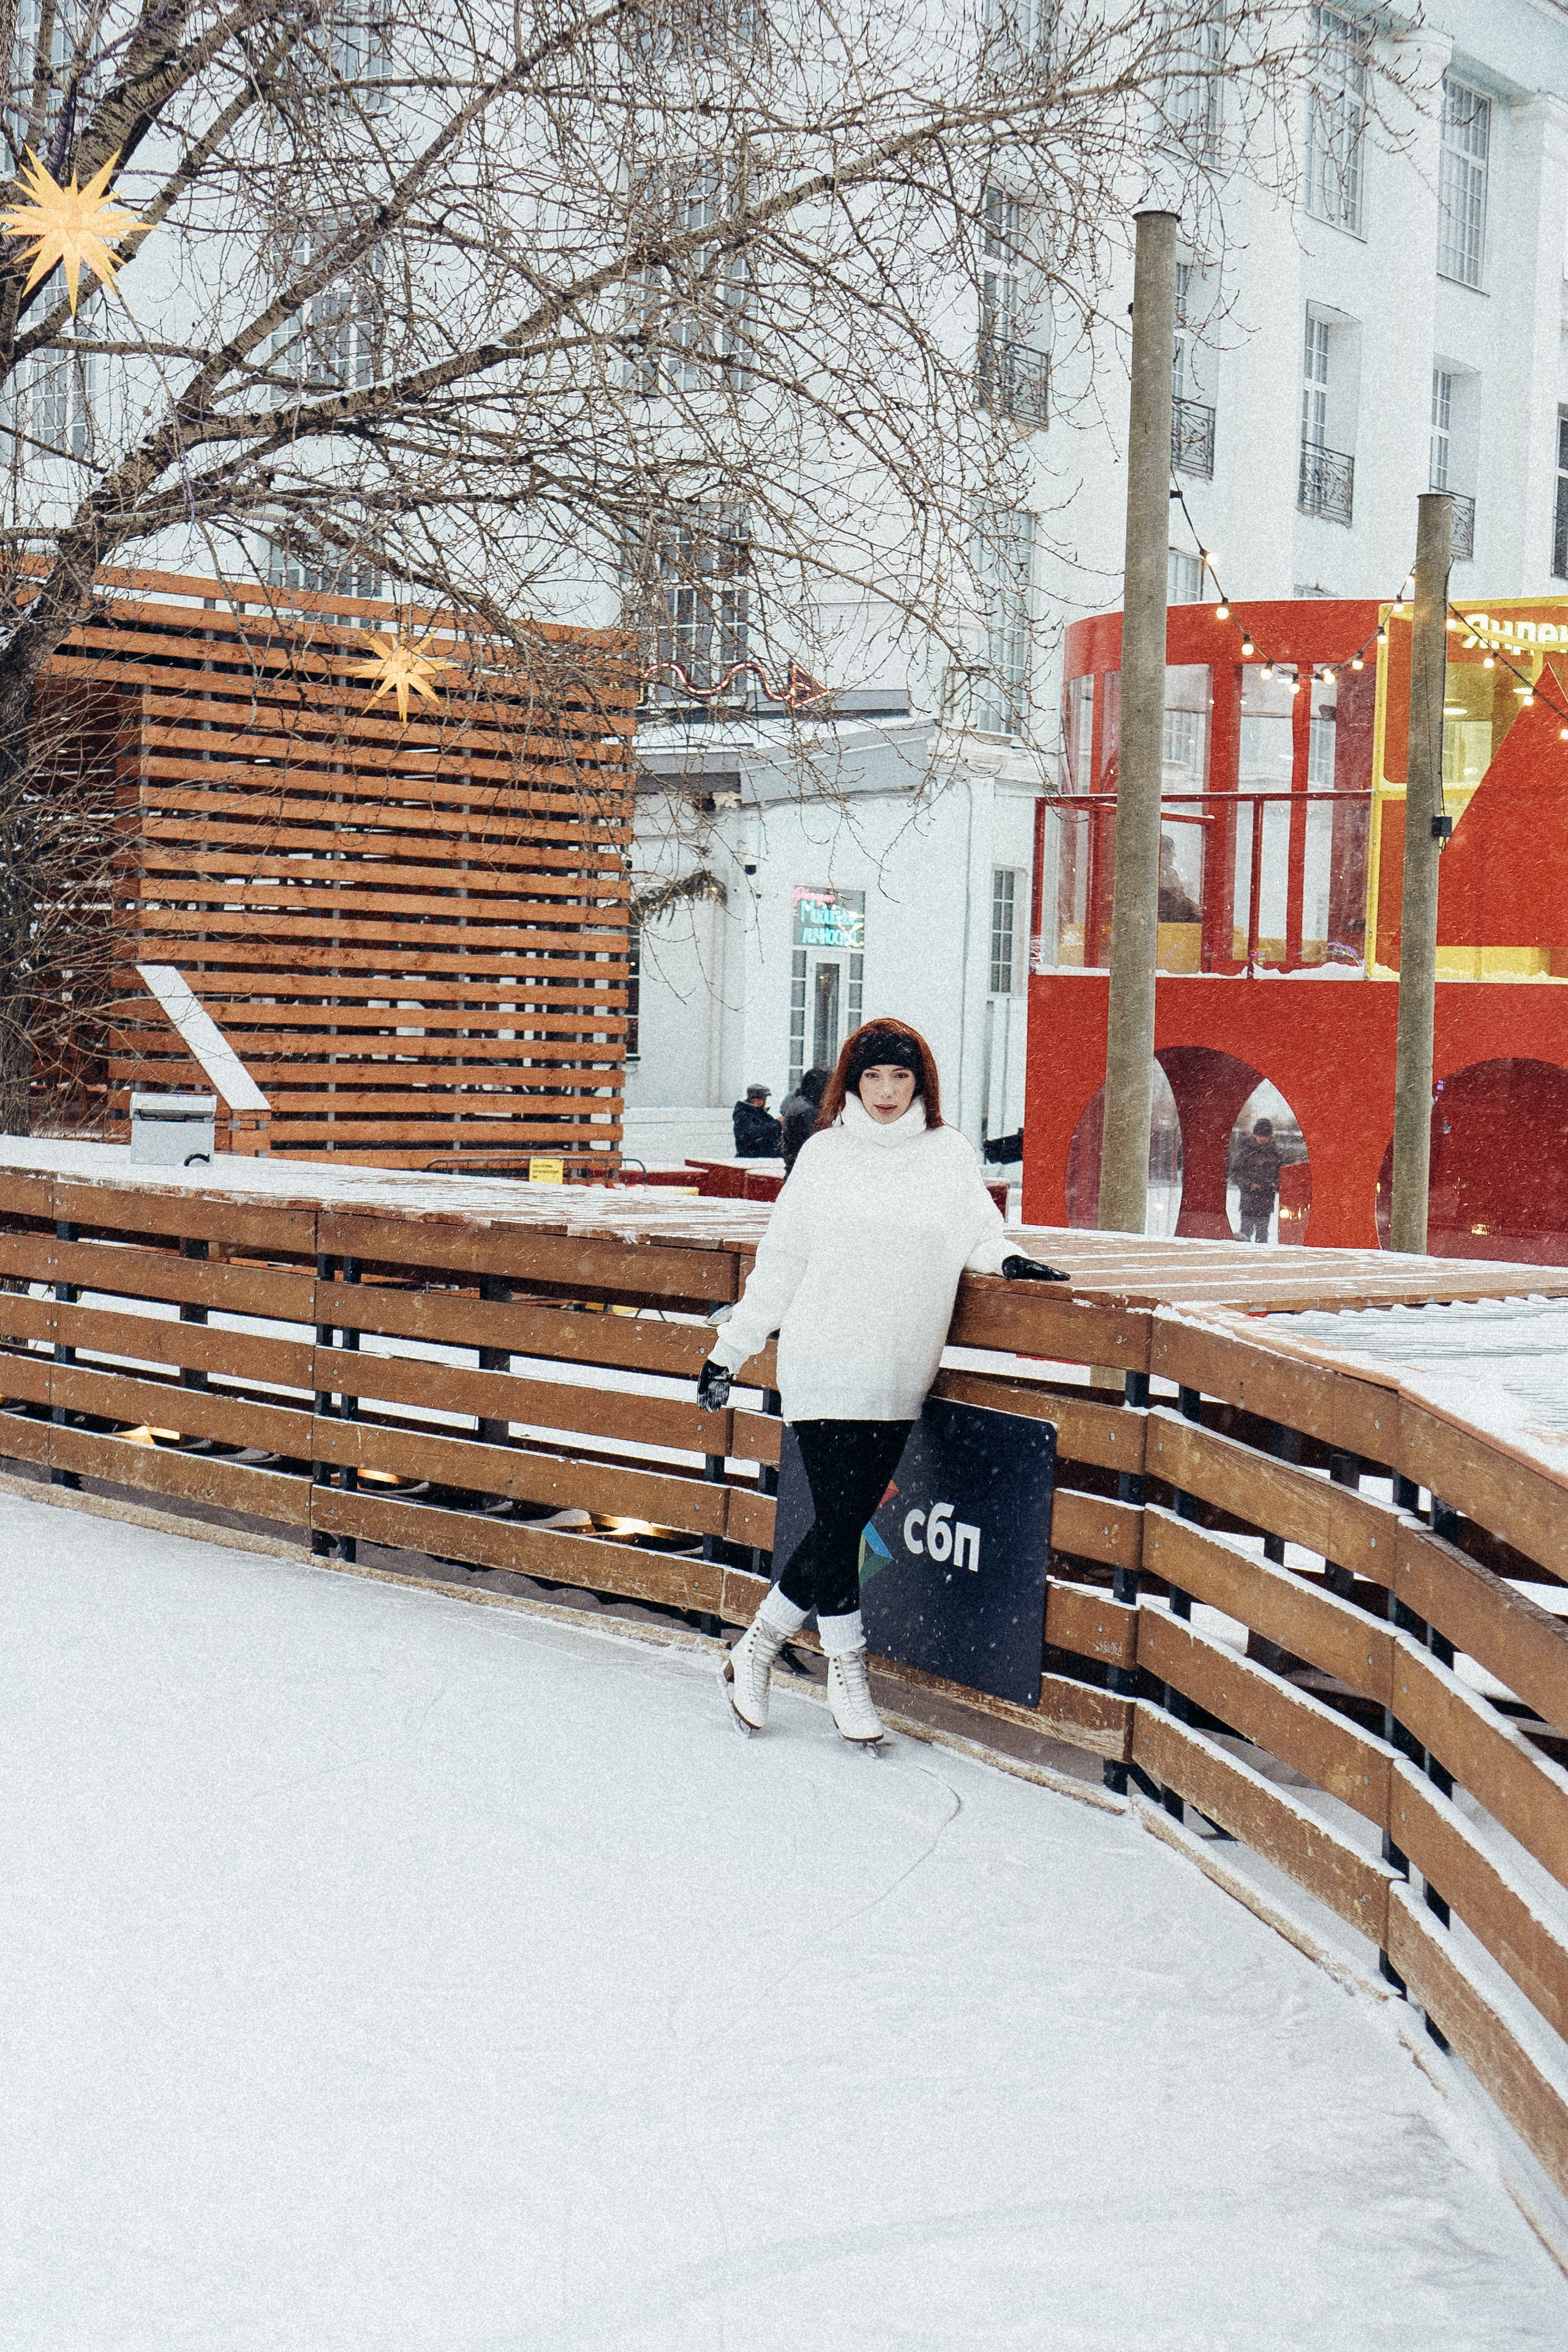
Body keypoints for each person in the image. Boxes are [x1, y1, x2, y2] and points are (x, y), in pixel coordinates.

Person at [697, 1018, 1068, 1746]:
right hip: (825, 1356)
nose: (887, 1092)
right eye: (873, 1077)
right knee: (842, 1522)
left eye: (900, 1077)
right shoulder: (825, 1156)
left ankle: (756, 1649)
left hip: (897, 1367)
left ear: (921, 1081)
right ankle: (846, 1674)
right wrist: (730, 1350)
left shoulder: (947, 1155)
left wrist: (1009, 1262)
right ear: (852, 1082)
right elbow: (782, 1262)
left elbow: (977, 1233)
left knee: (839, 1524)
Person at [1232, 1117, 1284, 1244]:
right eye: (1261, 1135)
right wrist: (1249, 1185)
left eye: (1266, 1136)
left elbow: (1282, 1174)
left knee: (1262, 1235)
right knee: (1245, 1232)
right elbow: (1235, 1173)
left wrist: (1275, 1184)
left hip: (1266, 1200)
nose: (1264, 1139)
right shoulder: (1246, 1152)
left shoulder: (1275, 1154)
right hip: (1249, 1200)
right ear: (1256, 1135)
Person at [778, 1065, 829, 1174]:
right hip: (805, 1168)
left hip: (796, 1165)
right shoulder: (807, 1110)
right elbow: (814, 1142)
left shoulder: (800, 1104)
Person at [732, 1082, 782, 1158]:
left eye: (763, 1099)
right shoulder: (743, 1114)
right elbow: (753, 1132)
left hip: (764, 1157)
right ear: (752, 1099)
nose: (761, 1102)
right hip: (751, 1158)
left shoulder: (760, 1113)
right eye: (759, 1099)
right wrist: (777, 1123)